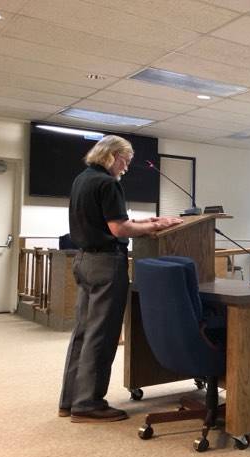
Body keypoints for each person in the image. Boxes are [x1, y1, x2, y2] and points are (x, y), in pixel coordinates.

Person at [59, 135, 182, 423]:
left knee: (83, 333)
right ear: (112, 156)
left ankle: (70, 400)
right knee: (102, 335)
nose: (125, 168)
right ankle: (88, 404)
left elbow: (111, 222)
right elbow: (118, 228)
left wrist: (150, 223)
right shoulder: (108, 183)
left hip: (84, 261)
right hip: (105, 264)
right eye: (125, 161)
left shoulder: (83, 179)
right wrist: (155, 225)